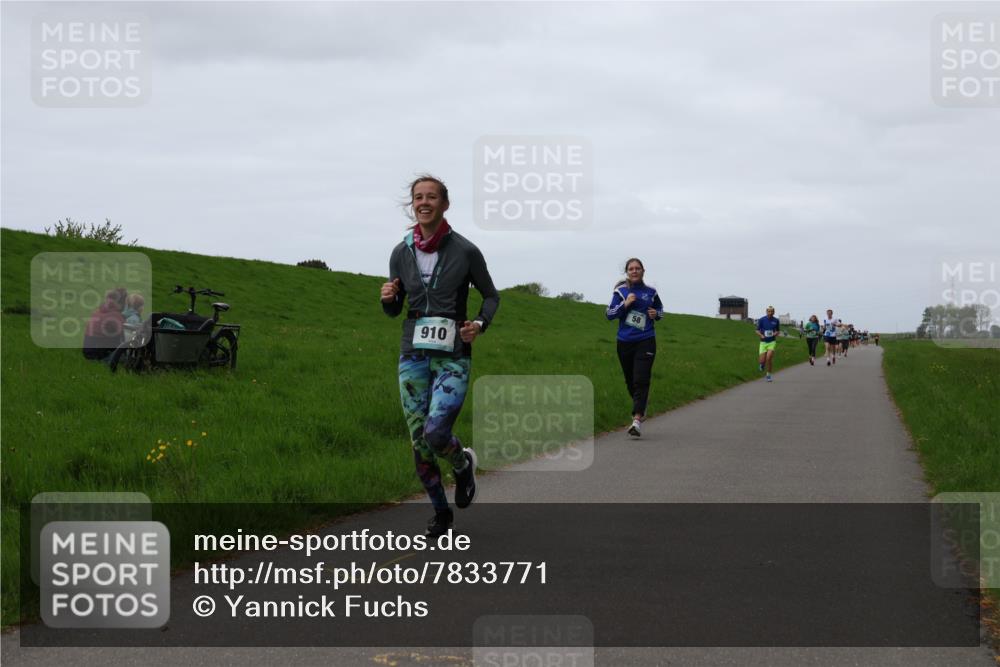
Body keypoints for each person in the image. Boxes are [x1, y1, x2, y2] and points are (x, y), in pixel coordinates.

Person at [380, 175, 500, 538]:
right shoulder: (401, 252)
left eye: (432, 197)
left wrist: (479, 323)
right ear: (412, 204)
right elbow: (396, 308)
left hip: (452, 354)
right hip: (412, 352)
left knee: (436, 432)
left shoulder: (464, 251)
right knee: (419, 440)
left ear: (445, 204)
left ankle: (462, 465)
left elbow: (491, 296)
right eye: (418, 197)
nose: (424, 202)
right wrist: (389, 299)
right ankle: (441, 514)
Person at [605, 258, 663, 438]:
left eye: (638, 268)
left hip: (646, 340)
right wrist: (626, 304)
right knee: (630, 381)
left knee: (641, 379)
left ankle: (637, 419)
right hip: (624, 342)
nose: (634, 271)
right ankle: (642, 404)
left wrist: (656, 314)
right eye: (631, 269)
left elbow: (660, 310)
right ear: (627, 272)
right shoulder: (621, 292)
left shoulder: (651, 292)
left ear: (643, 271)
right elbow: (609, 314)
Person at [82, 287, 127, 361]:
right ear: (122, 303)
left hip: (87, 352)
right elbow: (126, 331)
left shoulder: (98, 311)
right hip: (99, 354)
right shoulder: (115, 315)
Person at [756, 306, 781, 382]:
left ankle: (768, 375)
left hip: (772, 342)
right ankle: (762, 364)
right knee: (762, 360)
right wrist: (761, 335)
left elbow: (778, 331)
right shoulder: (762, 320)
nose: (770, 313)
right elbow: (757, 330)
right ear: (766, 312)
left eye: (771, 311)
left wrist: (775, 334)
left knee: (769, 358)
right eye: (769, 311)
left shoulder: (776, 320)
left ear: (774, 312)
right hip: (763, 342)